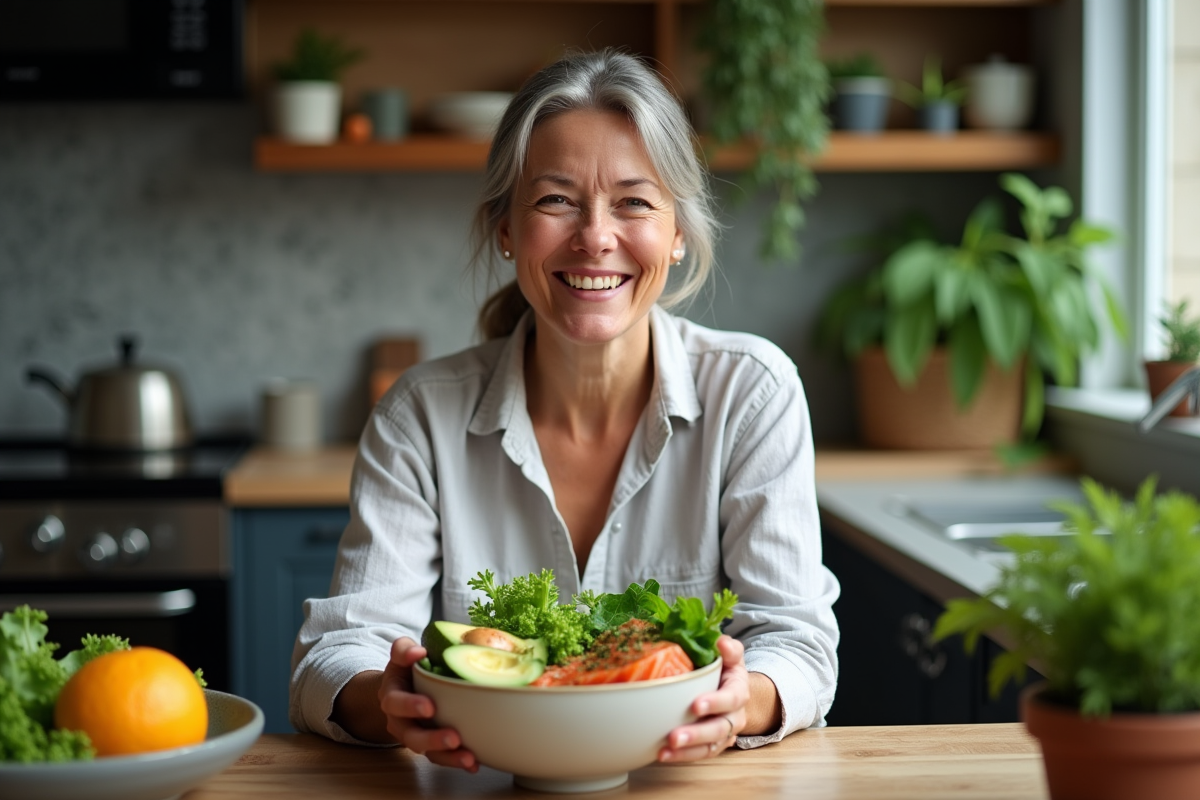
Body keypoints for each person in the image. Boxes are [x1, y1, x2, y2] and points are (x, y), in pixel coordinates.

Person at [289, 48, 839, 770]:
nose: (596, 237)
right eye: (555, 200)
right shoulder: (419, 417)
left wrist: (744, 701)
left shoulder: (753, 393)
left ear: (677, 233)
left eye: (634, 202)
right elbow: (335, 655)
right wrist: (388, 700)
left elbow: (796, 643)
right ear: (506, 229)